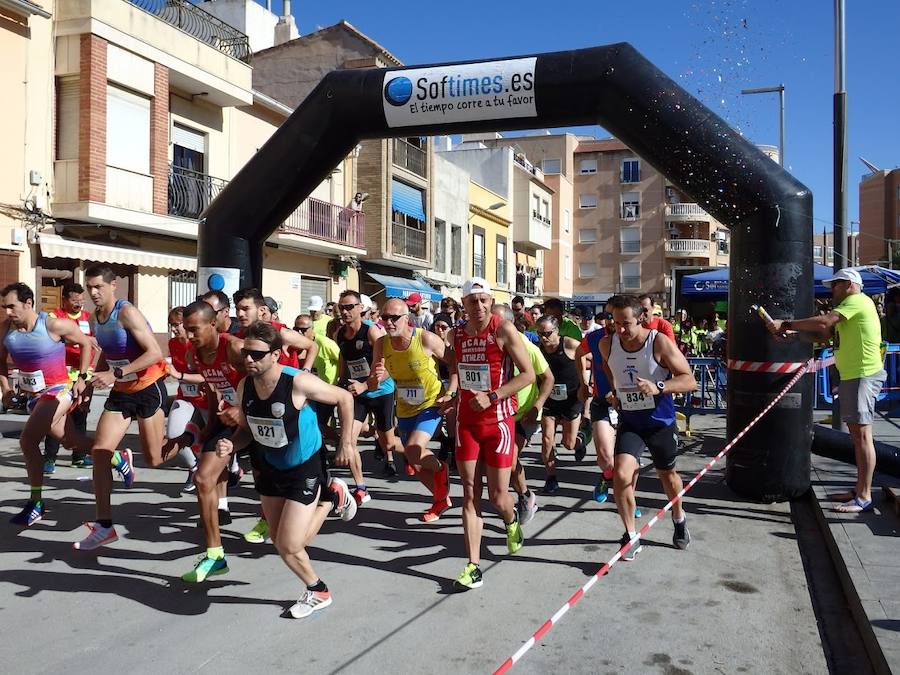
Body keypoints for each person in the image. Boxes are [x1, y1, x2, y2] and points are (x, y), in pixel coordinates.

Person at [205, 321, 357, 609]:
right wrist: (231, 445)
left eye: (257, 354)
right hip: (269, 465)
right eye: (246, 352)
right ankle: (332, 495)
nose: (249, 359)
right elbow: (248, 431)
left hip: (304, 465)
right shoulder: (244, 385)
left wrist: (347, 443)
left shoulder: (297, 381)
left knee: (289, 545)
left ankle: (318, 591)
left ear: (275, 355)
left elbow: (344, 398)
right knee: (280, 540)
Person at [767, 268, 886, 513]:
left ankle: (863, 496)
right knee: (858, 437)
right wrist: (794, 336)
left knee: (862, 437)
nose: (831, 289)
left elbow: (823, 322)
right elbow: (825, 336)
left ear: (850, 284)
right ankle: (860, 489)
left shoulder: (857, 301)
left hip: (862, 375)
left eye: (836, 285)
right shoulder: (851, 310)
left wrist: (786, 323)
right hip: (855, 376)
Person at [444, 277, 535, 590]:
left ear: (490, 301)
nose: (479, 306)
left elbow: (529, 374)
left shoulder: (502, 329)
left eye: (484, 300)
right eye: (473, 301)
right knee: (470, 493)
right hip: (467, 423)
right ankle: (473, 565)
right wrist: (451, 392)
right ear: (464, 304)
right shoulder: (455, 333)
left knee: (498, 497)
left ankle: (510, 521)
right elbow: (455, 365)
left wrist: (494, 395)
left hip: (498, 424)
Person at [74, 265, 170, 550]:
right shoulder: (96, 318)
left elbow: (155, 353)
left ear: (113, 285)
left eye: (98, 287)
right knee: (100, 453)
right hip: (121, 392)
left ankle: (190, 437)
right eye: (89, 287)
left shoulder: (127, 313)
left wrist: (116, 373)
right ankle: (104, 526)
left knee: (154, 458)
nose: (93, 293)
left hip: (148, 388)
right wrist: (90, 383)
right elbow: (108, 355)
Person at [599, 294, 697, 561]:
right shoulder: (607, 344)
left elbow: (689, 380)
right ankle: (630, 535)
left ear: (641, 317)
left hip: (659, 422)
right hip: (631, 421)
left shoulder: (658, 342)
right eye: (615, 322)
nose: (620, 329)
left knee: (668, 476)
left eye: (626, 323)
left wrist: (659, 387)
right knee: (620, 475)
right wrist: (615, 392)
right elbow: (611, 372)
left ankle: (678, 517)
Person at [0, 283, 94, 526]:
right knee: (71, 441)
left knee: (28, 439)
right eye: (4, 307)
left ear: (28, 303)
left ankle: (36, 503)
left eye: (12, 306)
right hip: (34, 395)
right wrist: (7, 390)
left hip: (60, 390)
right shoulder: (5, 331)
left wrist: (82, 378)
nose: (8, 312)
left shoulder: (52, 324)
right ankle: (118, 458)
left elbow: (86, 344)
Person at [177, 302, 247, 582]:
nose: (189, 335)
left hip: (260, 418)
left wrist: (244, 409)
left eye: (194, 330)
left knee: (283, 486)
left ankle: (332, 491)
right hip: (228, 421)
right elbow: (211, 387)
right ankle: (215, 554)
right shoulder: (194, 354)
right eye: (186, 330)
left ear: (213, 325)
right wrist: (209, 427)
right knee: (204, 479)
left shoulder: (234, 347)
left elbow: (269, 375)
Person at [369, 297, 452, 521]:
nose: (389, 323)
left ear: (407, 319)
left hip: (430, 404)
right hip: (404, 407)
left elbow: (454, 364)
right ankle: (440, 499)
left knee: (414, 449)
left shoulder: (425, 338)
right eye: (384, 318)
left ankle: (440, 469)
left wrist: (451, 393)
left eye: (394, 318)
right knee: (414, 460)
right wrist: (372, 381)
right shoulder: (381, 344)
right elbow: (374, 380)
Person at [336, 290, 402, 501]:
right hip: (357, 393)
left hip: (381, 391)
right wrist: (340, 381)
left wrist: (366, 385)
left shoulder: (372, 332)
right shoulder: (340, 333)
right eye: (342, 307)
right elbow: (344, 358)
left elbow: (391, 364)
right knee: (349, 440)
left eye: (349, 307)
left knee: (388, 443)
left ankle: (412, 453)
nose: (345, 311)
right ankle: (361, 487)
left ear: (360, 309)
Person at [492, 304, 553, 526]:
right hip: (498, 412)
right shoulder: (488, 344)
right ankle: (517, 494)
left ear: (508, 324)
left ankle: (526, 496)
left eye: (496, 323)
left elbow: (548, 378)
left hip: (524, 413)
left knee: (509, 459)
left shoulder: (527, 346)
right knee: (502, 461)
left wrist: (537, 406)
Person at [45, 281, 94, 471]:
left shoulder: (88, 318)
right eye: (74, 300)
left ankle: (79, 456)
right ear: (64, 299)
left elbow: (96, 342)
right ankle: (49, 459)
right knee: (56, 414)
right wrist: (77, 339)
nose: (78, 304)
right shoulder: (54, 316)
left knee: (80, 414)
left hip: (83, 374)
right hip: (61, 374)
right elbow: (51, 337)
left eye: (81, 300)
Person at [535, 316, 586, 493]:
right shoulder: (538, 349)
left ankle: (579, 442)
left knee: (568, 444)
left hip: (572, 398)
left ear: (557, 331)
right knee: (547, 438)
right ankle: (551, 478)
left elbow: (594, 361)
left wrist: (587, 385)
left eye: (547, 333)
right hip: (549, 398)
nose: (543, 338)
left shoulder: (571, 344)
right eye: (539, 334)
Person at [163, 306, 207, 493]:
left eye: (178, 324)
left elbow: (206, 377)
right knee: (174, 434)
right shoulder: (173, 344)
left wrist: (179, 375)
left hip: (206, 400)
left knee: (210, 441)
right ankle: (193, 467)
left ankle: (232, 471)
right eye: (172, 325)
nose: (174, 328)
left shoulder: (199, 344)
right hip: (186, 398)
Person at [293, 313, 341, 446]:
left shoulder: (325, 343)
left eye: (304, 330)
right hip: (308, 390)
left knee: (319, 423)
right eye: (296, 329)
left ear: (312, 329)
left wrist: (340, 379)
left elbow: (342, 359)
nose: (300, 332)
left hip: (327, 389)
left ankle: (340, 443)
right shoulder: (297, 345)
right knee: (310, 422)